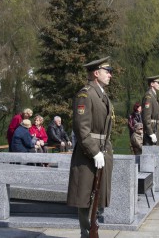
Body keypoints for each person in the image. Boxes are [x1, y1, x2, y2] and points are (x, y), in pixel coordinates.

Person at [67, 56, 114, 238]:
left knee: (98, 198)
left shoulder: (101, 94)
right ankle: (87, 235)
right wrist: (95, 152)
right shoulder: (85, 94)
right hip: (89, 154)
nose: (110, 75)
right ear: (96, 73)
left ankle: (93, 233)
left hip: (102, 152)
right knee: (87, 198)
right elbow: (81, 128)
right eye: (107, 71)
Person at [141, 75, 159, 145]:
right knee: (150, 154)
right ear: (152, 84)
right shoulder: (149, 96)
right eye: (158, 82)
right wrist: (150, 133)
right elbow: (146, 116)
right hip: (152, 130)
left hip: (156, 128)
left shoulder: (154, 96)